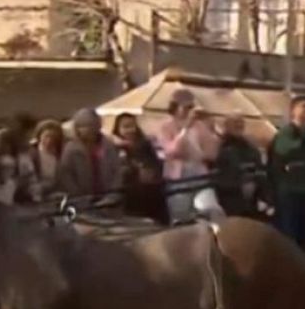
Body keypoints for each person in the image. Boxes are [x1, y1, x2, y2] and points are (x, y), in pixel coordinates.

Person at [267, 94, 305, 260]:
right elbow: (284, 150)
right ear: (293, 111)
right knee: (289, 234)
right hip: (289, 191)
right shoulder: (286, 134)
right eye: (304, 107)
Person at [156, 88, 220, 224]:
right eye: (185, 107)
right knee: (181, 216)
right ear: (174, 107)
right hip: (178, 178)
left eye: (191, 107)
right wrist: (185, 129)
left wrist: (210, 127)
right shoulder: (165, 127)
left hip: (199, 176)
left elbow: (212, 152)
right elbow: (172, 151)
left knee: (210, 209)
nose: (188, 110)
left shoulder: (199, 126)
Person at [57, 108, 123, 206]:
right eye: (83, 126)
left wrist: (113, 193)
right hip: (81, 200)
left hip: (108, 198)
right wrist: (78, 196)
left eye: (91, 125)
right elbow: (66, 175)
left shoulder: (108, 145)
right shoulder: (70, 149)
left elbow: (117, 171)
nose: (87, 129)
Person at [113, 113, 167, 223]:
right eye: (125, 127)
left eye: (132, 126)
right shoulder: (114, 148)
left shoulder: (145, 143)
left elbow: (156, 164)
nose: (130, 130)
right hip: (130, 196)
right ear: (118, 129)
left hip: (151, 192)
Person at [213, 115, 264, 219]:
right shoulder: (222, 146)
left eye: (241, 122)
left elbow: (257, 163)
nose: (239, 125)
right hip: (232, 195)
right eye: (235, 122)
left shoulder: (248, 145)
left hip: (251, 194)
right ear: (227, 126)